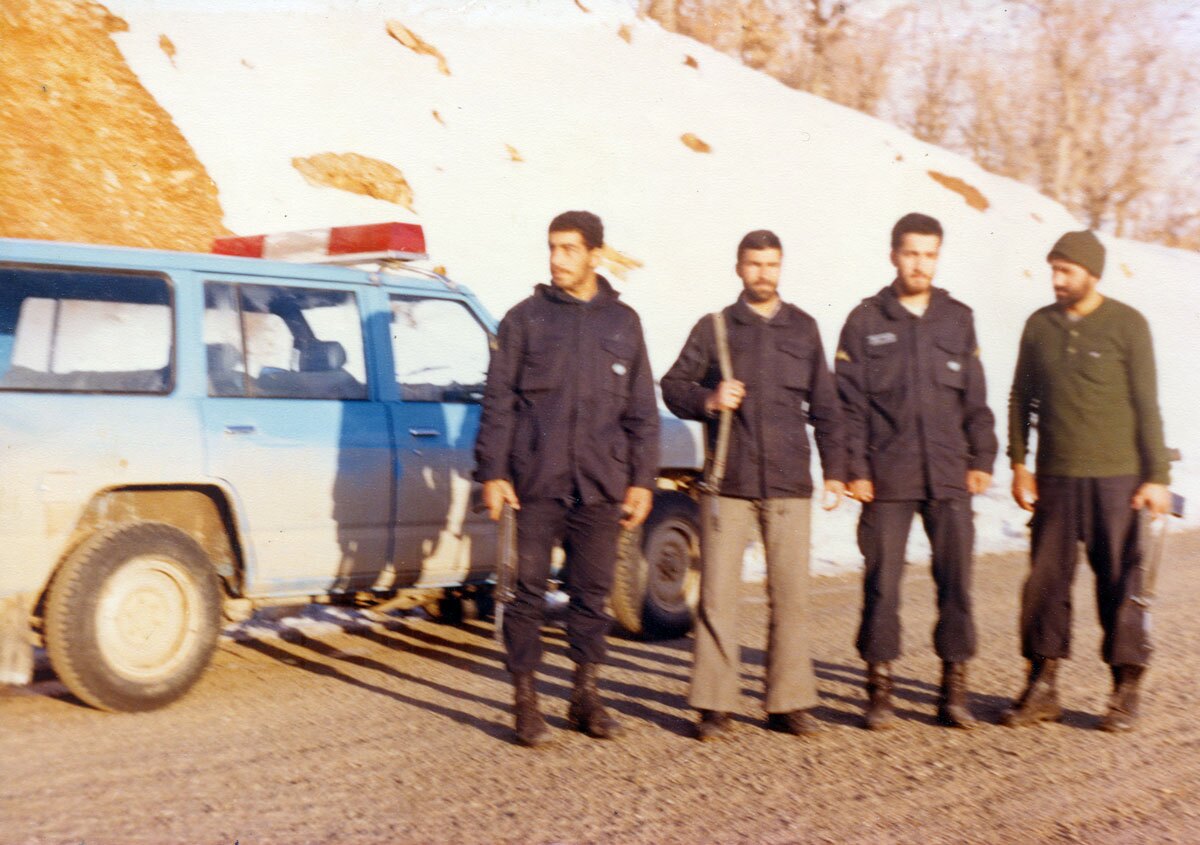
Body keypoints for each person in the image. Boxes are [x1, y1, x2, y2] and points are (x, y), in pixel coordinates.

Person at [474, 210, 659, 747]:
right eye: (553, 247)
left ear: (596, 255)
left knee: (592, 596)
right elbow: (498, 403)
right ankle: (525, 702)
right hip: (536, 481)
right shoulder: (523, 320)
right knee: (526, 595)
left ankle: (585, 697)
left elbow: (641, 410)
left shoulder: (623, 323)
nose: (557, 259)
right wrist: (493, 472)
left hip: (600, 483)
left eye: (570, 249)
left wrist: (643, 480)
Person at [661, 229, 846, 741]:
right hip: (729, 481)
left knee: (791, 597)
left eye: (771, 264)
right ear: (739, 268)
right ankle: (714, 705)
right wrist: (709, 399)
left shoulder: (804, 328)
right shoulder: (715, 328)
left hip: (789, 481)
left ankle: (789, 704)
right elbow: (673, 386)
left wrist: (835, 470)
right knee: (717, 597)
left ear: (781, 267)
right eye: (754, 264)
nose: (763, 273)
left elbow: (827, 406)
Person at [1004, 229, 1171, 732]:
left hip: (1117, 478)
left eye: (1066, 271)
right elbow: (1020, 398)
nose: (1057, 280)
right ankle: (1042, 685)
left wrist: (1157, 476)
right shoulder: (1039, 325)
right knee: (1045, 583)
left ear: (1092, 274)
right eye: (1053, 270)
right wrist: (1019, 463)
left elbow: (1147, 404)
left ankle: (1124, 689)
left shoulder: (1127, 324)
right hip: (1056, 477)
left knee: (1120, 582)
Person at [835, 212, 997, 730]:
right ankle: (879, 690)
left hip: (949, 474)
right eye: (911, 253)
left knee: (957, 584)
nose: (920, 264)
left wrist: (982, 458)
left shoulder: (958, 318)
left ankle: (954, 691)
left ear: (938, 257)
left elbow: (976, 400)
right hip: (887, 476)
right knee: (882, 584)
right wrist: (855, 468)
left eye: (929, 255)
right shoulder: (865, 320)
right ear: (894, 256)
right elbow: (849, 407)